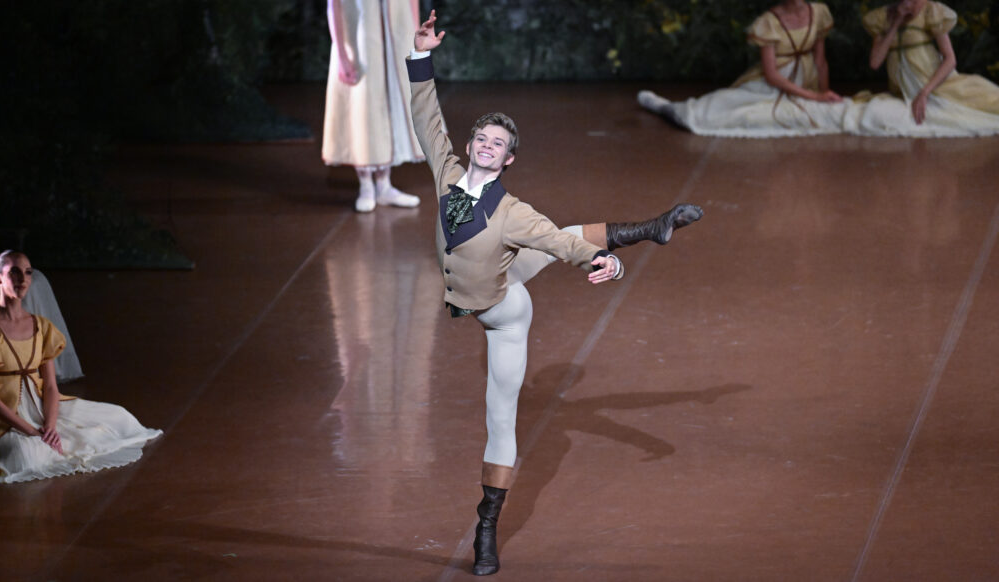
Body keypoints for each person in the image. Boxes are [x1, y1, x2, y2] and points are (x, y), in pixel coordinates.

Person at [409, 11, 702, 576]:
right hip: (501, 272)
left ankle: (487, 525)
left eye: (500, 144)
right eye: (483, 138)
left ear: (509, 159)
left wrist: (603, 264)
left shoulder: (512, 211)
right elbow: (426, 114)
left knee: (501, 415)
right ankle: (651, 228)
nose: (488, 146)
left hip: (503, 309)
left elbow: (552, 240)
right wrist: (421, 55)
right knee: (559, 240)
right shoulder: (446, 173)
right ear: (471, 145)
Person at [0, 251, 161, 483]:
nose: (22, 279)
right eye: (13, 272)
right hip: (3, 415)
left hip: (40, 405)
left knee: (118, 418)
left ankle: (50, 434)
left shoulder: (40, 325)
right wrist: (31, 431)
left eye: (27, 272)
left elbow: (51, 386)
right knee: (23, 454)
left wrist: (50, 427)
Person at [638, 1, 848, 137]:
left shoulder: (819, 12)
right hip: (774, 85)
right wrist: (812, 96)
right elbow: (772, 75)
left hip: (806, 79)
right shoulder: (769, 22)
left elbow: (820, 60)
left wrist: (823, 94)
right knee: (726, 110)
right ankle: (669, 108)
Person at [0, 167, 83, 382]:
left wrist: (2, 260)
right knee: (5, 287)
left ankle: (44, 361)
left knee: (37, 281)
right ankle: (14, 363)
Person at [323, 0, 425, 212]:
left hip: (394, 39)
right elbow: (335, 6)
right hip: (361, 44)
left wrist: (417, 37)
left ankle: (384, 184)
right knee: (364, 109)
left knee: (389, 104)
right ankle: (366, 185)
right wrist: (342, 54)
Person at [844, 0, 999, 136]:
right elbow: (875, 63)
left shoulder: (931, 11)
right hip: (902, 92)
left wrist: (924, 92)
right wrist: (897, 21)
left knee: (986, 103)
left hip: (936, 85)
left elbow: (950, 59)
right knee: (870, 115)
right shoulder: (883, 16)